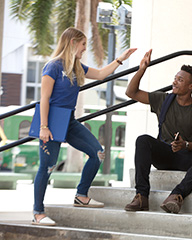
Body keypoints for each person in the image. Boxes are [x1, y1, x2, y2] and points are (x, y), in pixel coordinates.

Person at [32, 27, 137, 226]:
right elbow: (44, 98)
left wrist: (120, 59)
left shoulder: (77, 66)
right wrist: (44, 126)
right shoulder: (52, 66)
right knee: (47, 167)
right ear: (72, 42)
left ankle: (81, 195)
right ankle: (38, 213)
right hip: (52, 120)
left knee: (97, 152)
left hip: (69, 120)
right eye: (82, 45)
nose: (84, 49)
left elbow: (100, 74)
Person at [124, 49, 192, 214]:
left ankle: (177, 195)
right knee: (143, 140)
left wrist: (185, 145)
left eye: (180, 80)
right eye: (175, 78)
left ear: (191, 86)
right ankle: (141, 196)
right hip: (164, 154)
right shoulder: (163, 100)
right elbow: (131, 92)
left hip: (185, 156)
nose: (175, 82)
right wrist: (142, 69)